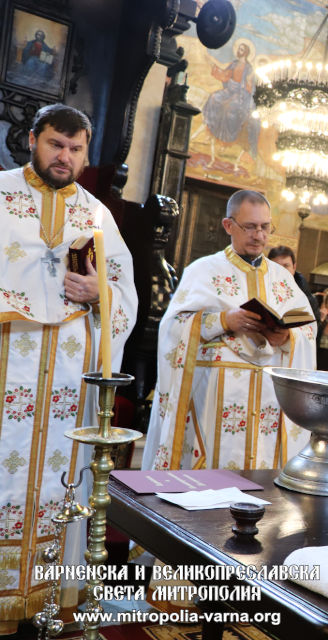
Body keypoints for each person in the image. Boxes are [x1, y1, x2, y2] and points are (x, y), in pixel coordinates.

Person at [0, 104, 137, 631]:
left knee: (60, 481)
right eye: (56, 144)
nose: (65, 156)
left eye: (76, 149)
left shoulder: (97, 215)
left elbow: (124, 294)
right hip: (9, 363)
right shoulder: (2, 193)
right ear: (33, 139)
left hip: (67, 379)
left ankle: (46, 600)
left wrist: (99, 292)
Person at [143, 190, 316, 471]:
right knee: (212, 477)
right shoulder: (203, 271)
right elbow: (172, 328)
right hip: (215, 400)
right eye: (250, 227)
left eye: (265, 227)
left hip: (268, 403)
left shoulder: (283, 279)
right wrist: (223, 321)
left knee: (261, 479)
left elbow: (308, 330)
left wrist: (288, 336)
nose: (259, 235)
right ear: (228, 225)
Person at [268, 245, 322, 323]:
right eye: (276, 266)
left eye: (286, 266)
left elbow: (316, 325)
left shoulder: (307, 297)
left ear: (294, 267)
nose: (281, 270)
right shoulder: (260, 289)